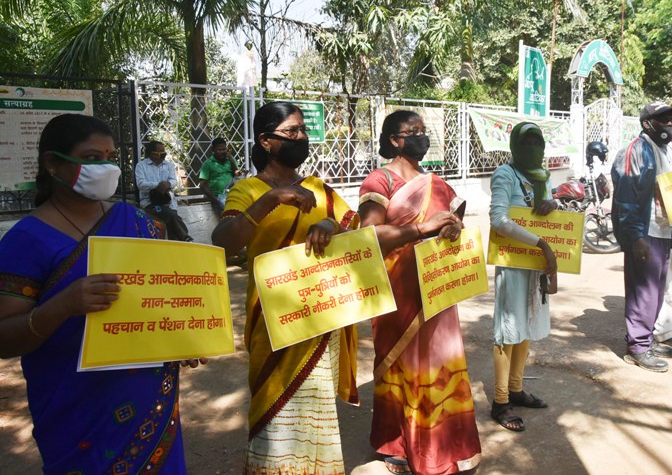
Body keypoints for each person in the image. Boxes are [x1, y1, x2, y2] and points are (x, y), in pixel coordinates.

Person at [0, 113, 201, 473]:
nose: (105, 167)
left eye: (110, 157)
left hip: (148, 399)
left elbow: (162, 298)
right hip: (75, 405)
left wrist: (179, 337)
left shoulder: (137, 222)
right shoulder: (26, 240)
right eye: (92, 158)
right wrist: (62, 306)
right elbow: (3, 339)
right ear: (52, 163)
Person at [211, 101, 359, 475]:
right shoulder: (248, 190)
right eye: (292, 131)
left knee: (316, 409)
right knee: (274, 410)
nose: (301, 137)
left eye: (303, 130)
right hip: (274, 320)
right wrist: (270, 200)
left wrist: (331, 226)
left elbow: (355, 228)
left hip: (320, 313)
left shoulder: (319, 189)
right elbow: (223, 242)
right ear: (266, 141)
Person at [359, 110, 481, 475]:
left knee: (440, 363)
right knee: (404, 366)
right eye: (412, 132)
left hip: (437, 287)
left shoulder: (436, 183)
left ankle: (444, 446)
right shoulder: (379, 180)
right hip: (399, 291)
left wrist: (452, 228)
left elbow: (455, 221)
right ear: (394, 140)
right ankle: (398, 445)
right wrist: (422, 229)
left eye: (423, 131)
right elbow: (369, 236)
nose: (420, 137)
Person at [488, 122, 558, 432]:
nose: (533, 148)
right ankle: (501, 400)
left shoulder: (543, 177)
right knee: (508, 329)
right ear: (515, 146)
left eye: (537, 143)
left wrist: (552, 204)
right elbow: (498, 219)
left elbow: (551, 212)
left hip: (535, 263)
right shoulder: (505, 174)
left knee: (526, 323)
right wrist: (540, 243)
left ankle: (516, 388)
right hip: (513, 261)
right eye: (526, 143)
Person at [611, 102, 672, 373]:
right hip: (646, 230)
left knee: (656, 290)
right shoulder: (636, 150)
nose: (669, 123)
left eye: (671, 119)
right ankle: (638, 348)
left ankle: (647, 339)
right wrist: (635, 236)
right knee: (643, 291)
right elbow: (626, 197)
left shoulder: (666, 150)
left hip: (664, 229)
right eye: (663, 119)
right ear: (647, 123)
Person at [135, 140, 192, 241]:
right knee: (171, 215)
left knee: (170, 220)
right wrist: (158, 185)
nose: (163, 154)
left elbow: (174, 180)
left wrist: (168, 184)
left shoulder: (168, 165)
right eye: (160, 152)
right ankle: (185, 237)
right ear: (152, 154)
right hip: (150, 202)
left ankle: (176, 244)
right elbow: (141, 184)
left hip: (168, 201)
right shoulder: (141, 166)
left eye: (164, 152)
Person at [199, 137, 240, 218]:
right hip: (219, 197)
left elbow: (237, 176)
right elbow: (202, 185)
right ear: (213, 150)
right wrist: (215, 199)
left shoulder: (231, 160)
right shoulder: (208, 164)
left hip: (233, 195)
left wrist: (231, 160)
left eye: (224, 149)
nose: (222, 152)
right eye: (219, 150)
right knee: (230, 219)